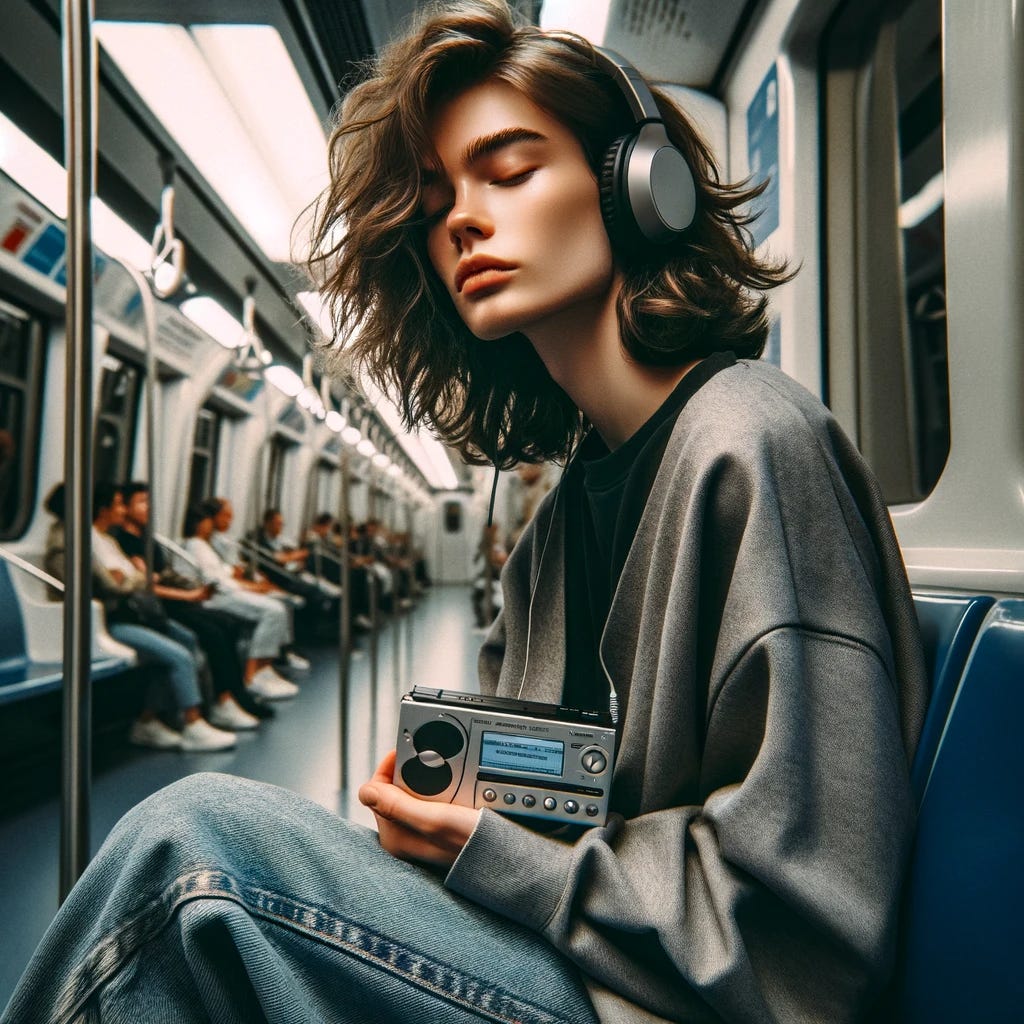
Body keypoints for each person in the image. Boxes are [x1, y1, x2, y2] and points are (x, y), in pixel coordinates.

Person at [3, 4, 927, 1023]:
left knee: (195, 857)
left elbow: (801, 936)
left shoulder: (752, 443)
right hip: (577, 952)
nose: (463, 220)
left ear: (639, 187)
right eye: (440, 197)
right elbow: (568, 808)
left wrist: (489, 850)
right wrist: (465, 812)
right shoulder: (560, 522)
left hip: (656, 1000)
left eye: (511, 168)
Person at [42, 482, 237, 752]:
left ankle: (148, 720)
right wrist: (138, 576)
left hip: (130, 613)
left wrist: (134, 576)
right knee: (178, 656)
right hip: (104, 621)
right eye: (119, 504)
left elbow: (127, 578)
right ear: (99, 509)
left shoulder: (106, 539)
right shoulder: (69, 544)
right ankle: (192, 723)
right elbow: (112, 585)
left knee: (188, 639)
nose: (121, 509)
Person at [113, 481, 269, 726]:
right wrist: (190, 596)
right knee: (212, 633)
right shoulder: (121, 541)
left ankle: (232, 694)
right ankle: (222, 701)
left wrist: (193, 590)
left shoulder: (148, 539)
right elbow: (144, 585)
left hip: (171, 599)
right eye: (142, 502)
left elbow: (162, 574)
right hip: (156, 605)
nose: (149, 508)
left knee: (229, 623)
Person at [182, 502, 301, 701]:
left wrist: (247, 584)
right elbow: (216, 580)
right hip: (215, 597)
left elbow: (222, 572)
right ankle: (252, 675)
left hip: (224, 591)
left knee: (278, 606)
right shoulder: (196, 545)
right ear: (200, 523)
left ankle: (265, 667)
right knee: (274, 610)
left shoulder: (206, 545)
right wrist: (250, 587)